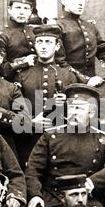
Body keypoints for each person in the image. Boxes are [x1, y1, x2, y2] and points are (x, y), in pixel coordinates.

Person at [25, 83, 105, 207]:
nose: (73, 112)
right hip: (53, 199)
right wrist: (35, 195)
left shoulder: (103, 138)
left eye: (79, 108)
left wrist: (92, 181)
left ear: (91, 113)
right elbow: (33, 169)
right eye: (70, 108)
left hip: (86, 199)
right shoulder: (51, 136)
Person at [13, 24, 78, 168]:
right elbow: (16, 110)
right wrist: (30, 122)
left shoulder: (68, 76)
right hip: (29, 140)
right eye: (39, 42)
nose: (43, 46)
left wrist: (65, 106)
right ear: (34, 46)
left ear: (57, 46)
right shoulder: (22, 75)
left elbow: (78, 114)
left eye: (48, 42)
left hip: (61, 141)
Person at [56, 0, 105, 85]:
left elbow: (104, 51)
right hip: (68, 84)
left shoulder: (90, 26)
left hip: (92, 84)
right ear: (64, 0)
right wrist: (85, 80)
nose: (80, 2)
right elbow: (60, 62)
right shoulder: (58, 27)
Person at [0, 0, 37, 82]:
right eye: (18, 8)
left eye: (26, 8)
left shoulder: (36, 32)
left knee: (39, 96)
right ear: (9, 9)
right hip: (15, 84)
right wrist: (23, 62)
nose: (22, 12)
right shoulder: (3, 36)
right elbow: (1, 68)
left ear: (30, 11)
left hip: (37, 83)